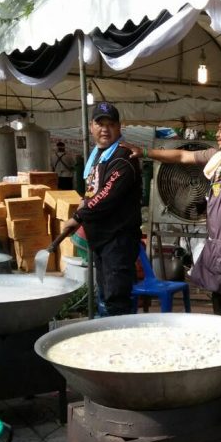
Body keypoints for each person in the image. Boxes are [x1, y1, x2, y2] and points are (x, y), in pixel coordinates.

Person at [127, 110, 221, 317]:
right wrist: (145, 153)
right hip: (218, 250)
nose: (217, 134)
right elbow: (182, 155)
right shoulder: (216, 158)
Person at [60, 102, 142, 316]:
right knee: (105, 297)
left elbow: (105, 196)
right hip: (102, 240)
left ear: (119, 127)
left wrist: (77, 216)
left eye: (111, 124)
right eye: (100, 124)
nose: (105, 129)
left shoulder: (123, 158)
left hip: (118, 241)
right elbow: (91, 191)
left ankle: (121, 346)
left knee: (116, 301)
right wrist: (82, 206)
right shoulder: (98, 156)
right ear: (91, 127)